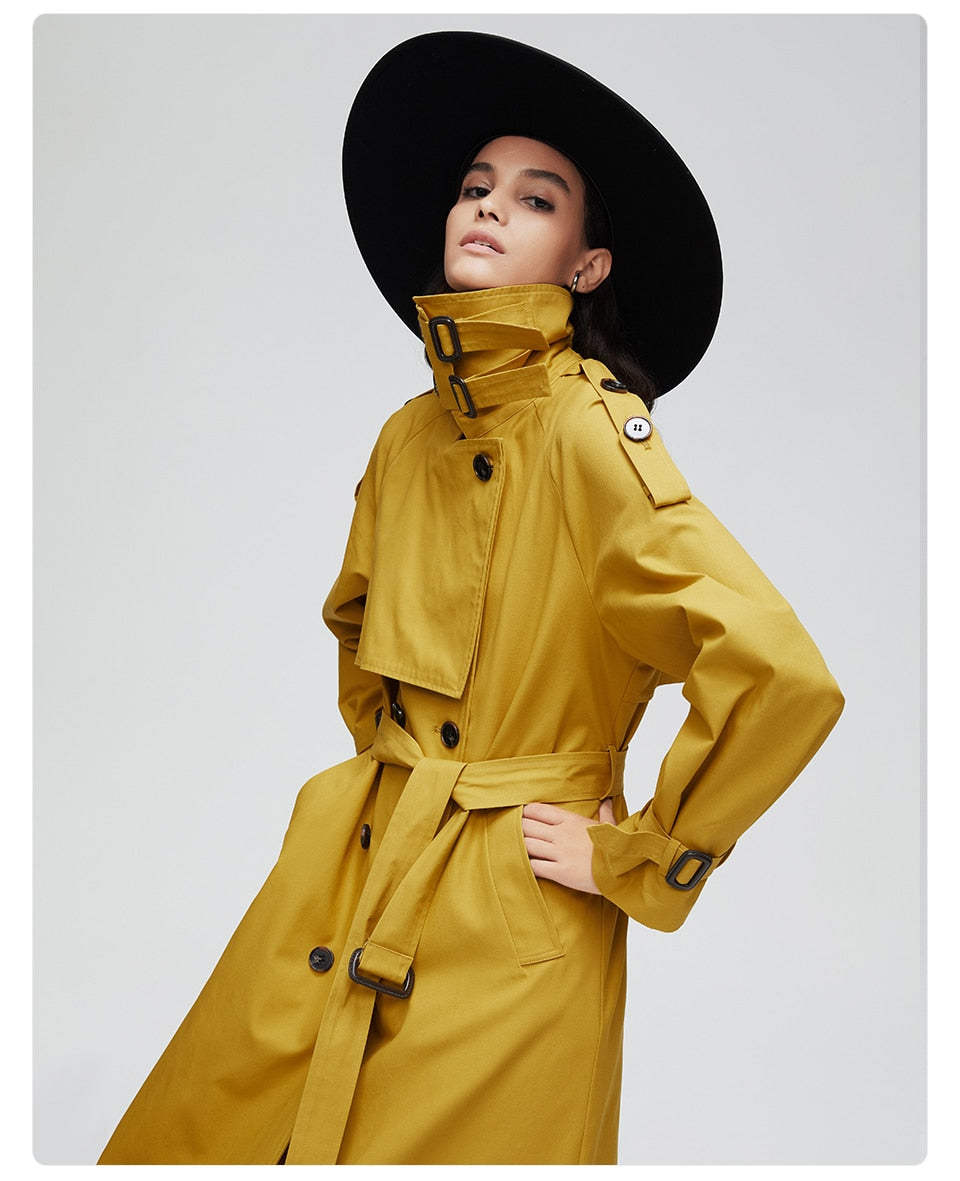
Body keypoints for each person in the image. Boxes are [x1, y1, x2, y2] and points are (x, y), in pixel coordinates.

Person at [97, 31, 844, 1166]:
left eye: (536, 199)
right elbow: (358, 632)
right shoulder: (406, 436)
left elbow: (781, 677)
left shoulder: (592, 431)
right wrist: (396, 780)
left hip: (514, 905)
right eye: (475, 186)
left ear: (587, 265)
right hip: (358, 859)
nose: (489, 206)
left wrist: (643, 852)